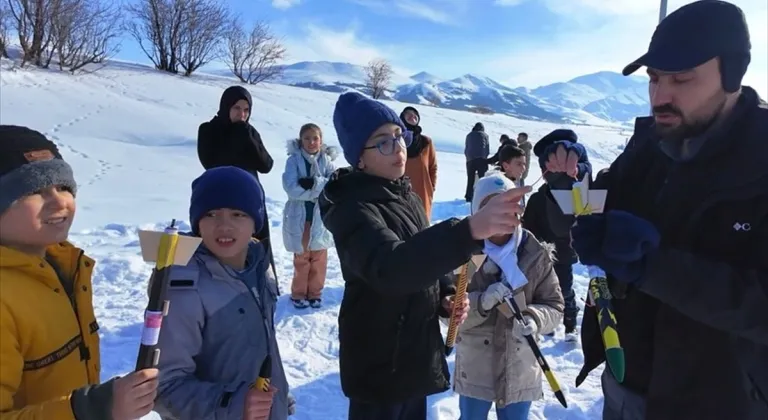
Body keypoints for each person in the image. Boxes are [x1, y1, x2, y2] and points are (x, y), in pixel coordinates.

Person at [566, 2, 768, 419]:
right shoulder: (649, 144)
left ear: (733, 72)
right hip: (625, 386)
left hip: (720, 402)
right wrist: (572, 202)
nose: (660, 97)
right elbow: (596, 205)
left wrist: (654, 267)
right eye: (654, 79)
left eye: (681, 78)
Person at [319, 92, 530, 419]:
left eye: (398, 137)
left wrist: (446, 295)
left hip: (413, 358)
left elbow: (423, 259)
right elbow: (391, 268)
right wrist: (467, 231)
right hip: (379, 364)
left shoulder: (407, 197)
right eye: (383, 142)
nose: (399, 147)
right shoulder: (351, 208)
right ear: (358, 157)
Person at [0, 125, 159, 420]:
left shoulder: (64, 266)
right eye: (35, 191)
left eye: (63, 187)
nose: (60, 201)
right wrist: (95, 408)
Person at [154, 166, 294, 420]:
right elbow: (164, 387)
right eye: (211, 214)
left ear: (256, 221)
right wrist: (237, 403)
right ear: (198, 223)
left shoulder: (258, 266)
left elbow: (261, 344)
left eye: (238, 214)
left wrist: (279, 393)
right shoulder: (184, 287)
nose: (224, 226)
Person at [454, 173, 564, 420]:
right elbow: (449, 314)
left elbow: (555, 306)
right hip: (476, 368)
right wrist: (481, 301)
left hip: (521, 365)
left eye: (507, 206)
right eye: (490, 207)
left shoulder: (535, 254)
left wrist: (535, 318)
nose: (501, 214)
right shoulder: (465, 254)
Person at [522, 129, 591, 343]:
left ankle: (570, 324)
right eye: (545, 166)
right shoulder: (537, 198)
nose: (549, 170)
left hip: (563, 254)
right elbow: (528, 227)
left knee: (565, 288)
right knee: (542, 292)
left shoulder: (579, 193)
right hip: (540, 257)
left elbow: (585, 220)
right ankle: (547, 324)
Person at [197, 85, 274, 245]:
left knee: (256, 248)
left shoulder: (249, 131)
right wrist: (236, 136)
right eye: (237, 108)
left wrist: (246, 136)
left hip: (250, 197)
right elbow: (210, 163)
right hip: (221, 199)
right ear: (226, 107)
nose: (242, 114)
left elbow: (266, 165)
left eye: (246, 110)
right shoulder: (209, 130)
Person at [281, 123, 338, 309]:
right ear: (301, 140)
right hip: (301, 217)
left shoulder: (326, 161)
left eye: (315, 138)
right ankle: (298, 294)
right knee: (302, 257)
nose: (311, 142)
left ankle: (315, 293)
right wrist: (316, 193)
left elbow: (333, 184)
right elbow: (291, 188)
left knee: (319, 258)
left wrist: (314, 183)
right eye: (307, 138)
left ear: (321, 141)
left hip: (321, 218)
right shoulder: (293, 160)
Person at [400, 106, 438, 219]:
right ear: (402, 118)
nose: (412, 116)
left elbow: (433, 166)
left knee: (422, 223)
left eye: (415, 115)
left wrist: (432, 186)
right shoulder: (398, 140)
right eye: (408, 114)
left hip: (423, 191)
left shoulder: (426, 142)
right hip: (401, 189)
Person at [464, 122, 490, 202]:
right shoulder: (485, 135)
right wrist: (485, 158)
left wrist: (468, 157)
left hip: (470, 160)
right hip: (481, 159)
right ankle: (483, 195)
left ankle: (468, 196)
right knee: (483, 179)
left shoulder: (469, 135)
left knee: (470, 179)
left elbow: (467, 147)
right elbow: (487, 148)